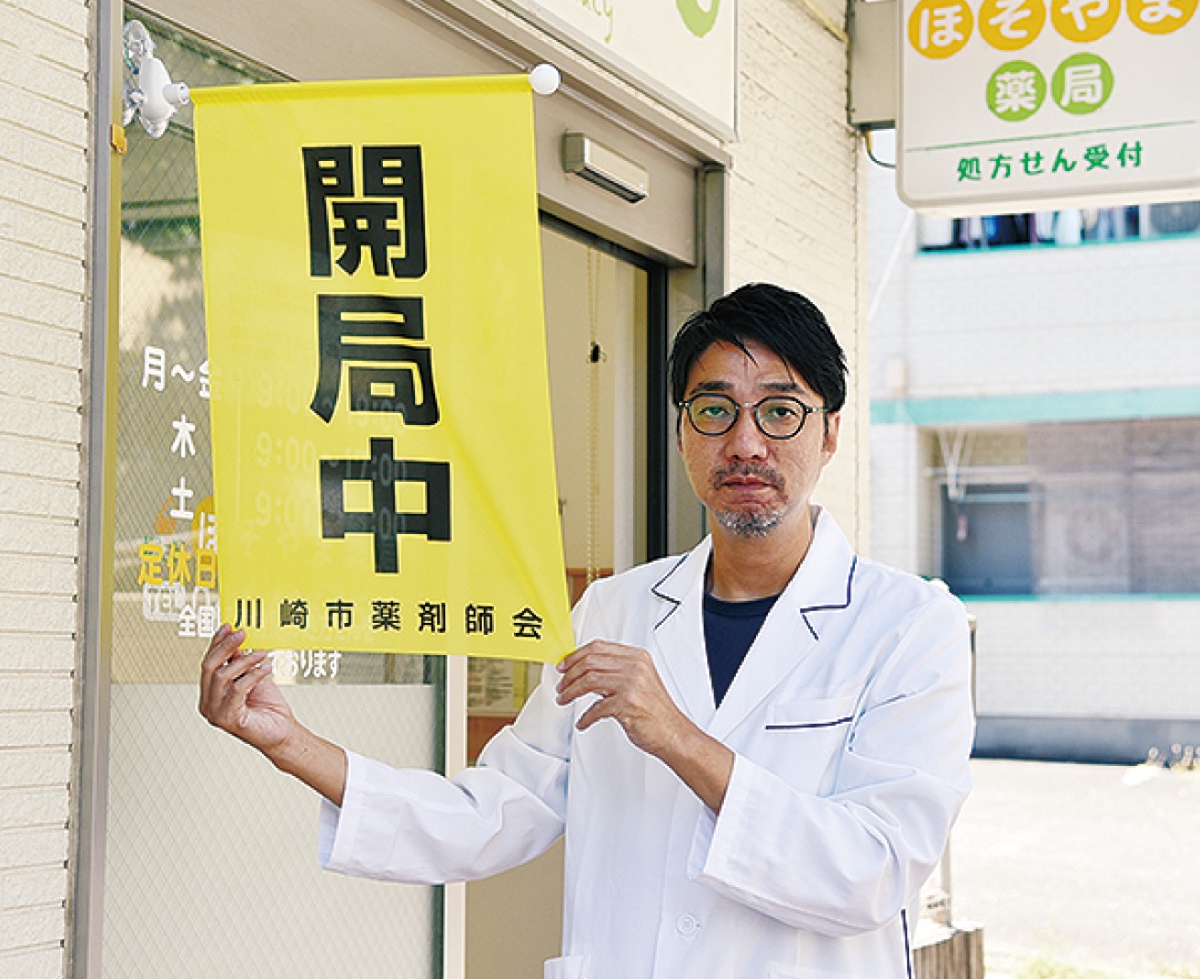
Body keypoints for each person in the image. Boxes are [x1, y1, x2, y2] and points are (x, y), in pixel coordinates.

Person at [200, 282, 974, 979]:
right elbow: (494, 811)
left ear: (829, 432)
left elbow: (875, 870)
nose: (745, 442)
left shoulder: (907, 627)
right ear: (682, 434)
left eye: (779, 410)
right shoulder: (614, 610)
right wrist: (291, 743)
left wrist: (677, 735)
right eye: (714, 410)